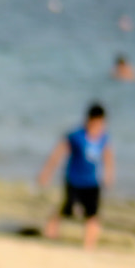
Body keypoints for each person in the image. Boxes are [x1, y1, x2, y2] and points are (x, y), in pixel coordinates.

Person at [39, 102, 115, 250]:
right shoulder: (76, 136)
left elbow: (108, 157)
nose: (98, 125)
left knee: (92, 214)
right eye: (96, 121)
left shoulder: (104, 138)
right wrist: (46, 173)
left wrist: (109, 175)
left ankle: (89, 246)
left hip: (92, 182)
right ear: (89, 119)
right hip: (74, 179)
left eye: (101, 122)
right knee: (67, 209)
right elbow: (58, 153)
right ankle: (49, 234)